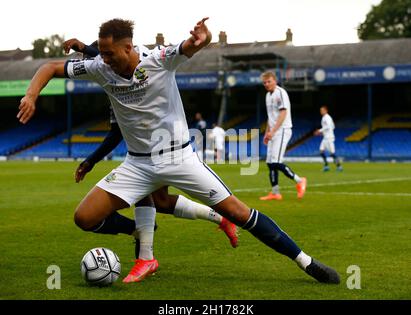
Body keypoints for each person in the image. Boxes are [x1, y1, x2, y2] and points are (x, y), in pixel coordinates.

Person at [17, 17, 340, 285]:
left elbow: (190, 46)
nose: (102, 59)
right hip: (137, 165)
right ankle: (138, 232)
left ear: (129, 47)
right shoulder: (100, 67)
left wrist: (204, 37)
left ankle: (306, 262)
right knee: (84, 218)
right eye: (100, 52)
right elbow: (49, 67)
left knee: (239, 213)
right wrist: (31, 95)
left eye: (109, 53)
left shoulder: (158, 59)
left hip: (179, 158)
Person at [65, 38, 239, 282]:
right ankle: (219, 219)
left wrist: (83, 47)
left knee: (150, 196)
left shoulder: (132, 70)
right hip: (142, 152)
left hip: (161, 148)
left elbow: (115, 134)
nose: (101, 64)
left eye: (104, 58)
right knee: (163, 202)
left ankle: (145, 254)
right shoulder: (113, 80)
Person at [259, 71, 307, 201]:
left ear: (275, 80)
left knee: (276, 161)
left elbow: (283, 113)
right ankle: (275, 192)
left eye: (269, 81)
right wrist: (267, 133)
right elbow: (271, 117)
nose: (267, 84)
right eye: (264, 83)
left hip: (282, 130)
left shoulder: (280, 93)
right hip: (273, 131)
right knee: (270, 162)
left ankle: (300, 180)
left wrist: (273, 131)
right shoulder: (268, 96)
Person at [314, 105, 343, 172]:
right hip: (325, 137)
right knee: (321, 151)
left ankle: (339, 166)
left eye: (322, 110)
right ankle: (326, 166)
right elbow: (332, 127)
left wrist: (319, 131)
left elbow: (328, 126)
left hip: (329, 138)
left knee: (332, 153)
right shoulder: (325, 117)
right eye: (320, 110)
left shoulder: (327, 117)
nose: (321, 111)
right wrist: (324, 133)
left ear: (326, 110)